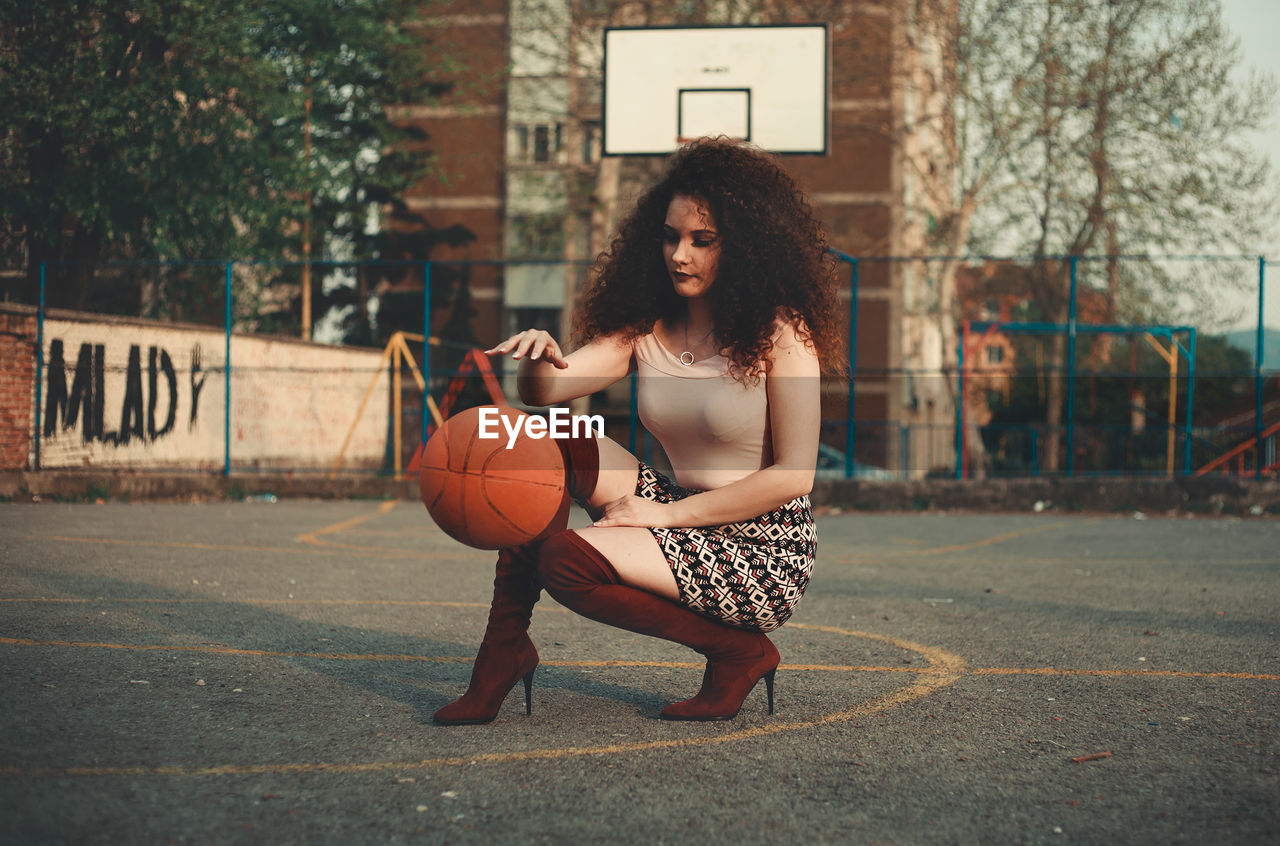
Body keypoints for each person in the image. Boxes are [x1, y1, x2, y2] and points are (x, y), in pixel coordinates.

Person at [433, 137, 846, 725]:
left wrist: (664, 516)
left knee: (565, 561)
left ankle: (738, 652)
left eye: (703, 241)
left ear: (747, 248)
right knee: (539, 444)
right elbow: (546, 394)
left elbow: (794, 476)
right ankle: (502, 653)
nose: (680, 255)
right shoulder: (645, 331)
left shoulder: (785, 335)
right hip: (681, 507)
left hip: (761, 545)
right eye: (671, 237)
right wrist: (538, 357)